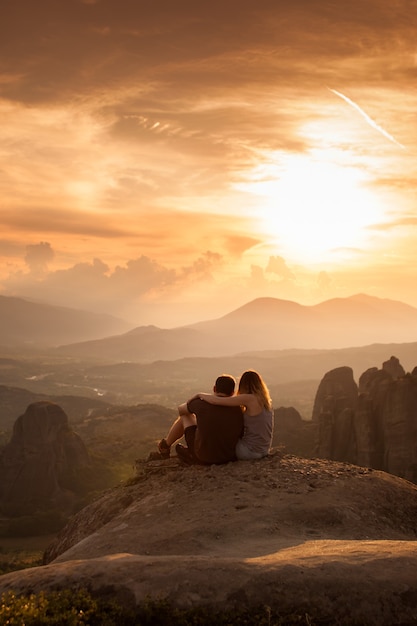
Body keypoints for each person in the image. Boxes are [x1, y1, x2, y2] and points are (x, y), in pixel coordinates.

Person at [148, 374, 244, 465]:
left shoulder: (201, 404)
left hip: (203, 457)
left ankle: (165, 445)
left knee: (185, 416)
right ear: (232, 392)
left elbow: (181, 410)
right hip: (229, 457)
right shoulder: (239, 408)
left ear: (214, 388)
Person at [194, 370, 273, 460]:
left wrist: (199, 395)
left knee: (222, 434)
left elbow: (216, 401)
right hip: (263, 450)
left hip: (248, 451)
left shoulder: (249, 398)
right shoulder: (266, 402)